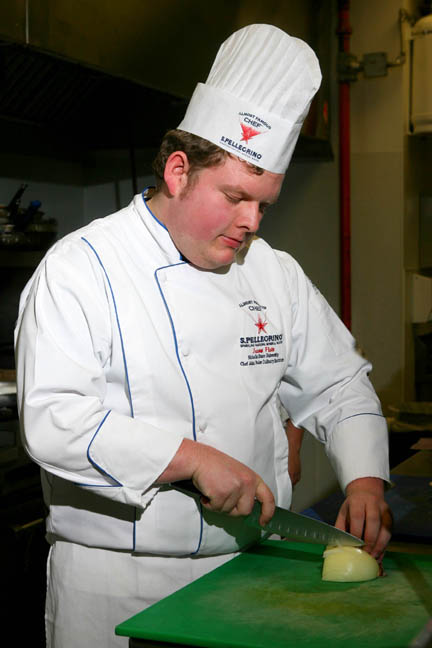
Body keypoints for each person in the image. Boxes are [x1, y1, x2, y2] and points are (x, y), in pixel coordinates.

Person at [14, 24, 392, 648]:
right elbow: (54, 419)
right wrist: (188, 458)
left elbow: (341, 385)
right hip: (114, 588)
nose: (250, 223)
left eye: (264, 205)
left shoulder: (274, 274)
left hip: (248, 572)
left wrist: (365, 481)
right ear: (179, 170)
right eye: (237, 197)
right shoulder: (82, 266)